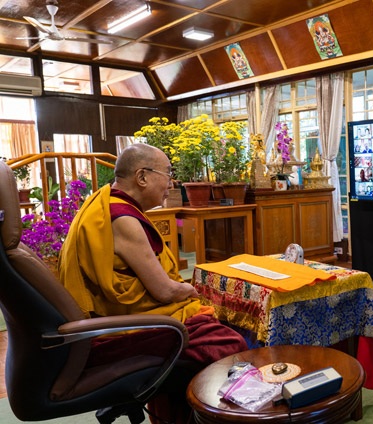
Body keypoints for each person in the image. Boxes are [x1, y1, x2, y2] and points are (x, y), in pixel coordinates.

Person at [58, 144, 247, 423]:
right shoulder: (123, 219)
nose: (171, 183)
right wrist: (192, 290)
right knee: (229, 342)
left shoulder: (104, 202)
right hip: (113, 332)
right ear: (142, 176)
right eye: (168, 173)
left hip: (105, 321)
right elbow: (164, 290)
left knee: (205, 319)